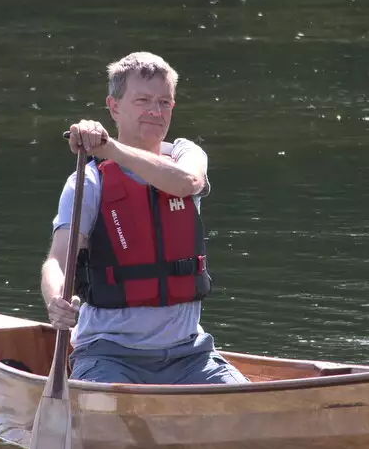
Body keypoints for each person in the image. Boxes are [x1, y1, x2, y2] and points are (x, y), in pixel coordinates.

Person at [40, 51, 246, 385]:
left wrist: (109, 148)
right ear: (114, 106)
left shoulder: (186, 155)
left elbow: (185, 183)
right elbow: (58, 262)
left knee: (245, 410)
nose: (155, 111)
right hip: (108, 354)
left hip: (190, 354)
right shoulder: (89, 181)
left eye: (165, 102)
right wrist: (56, 301)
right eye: (143, 100)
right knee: (108, 418)